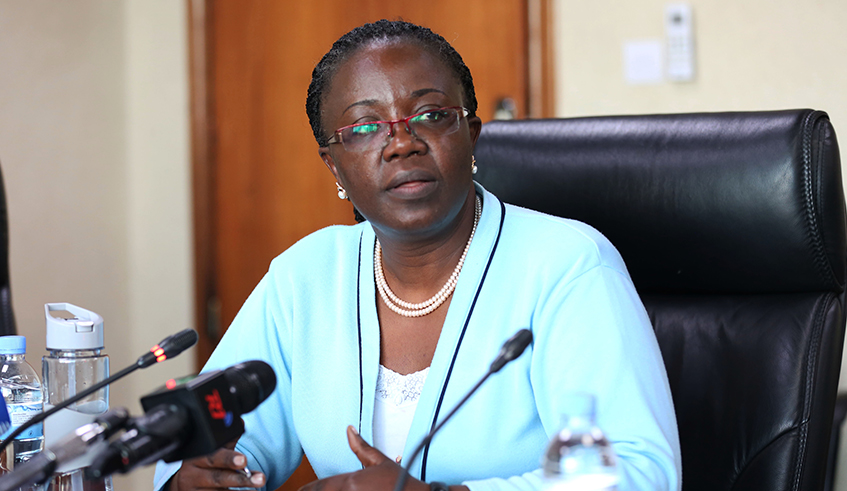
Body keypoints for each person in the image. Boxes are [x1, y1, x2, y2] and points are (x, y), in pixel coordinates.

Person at [154, 19, 681, 491]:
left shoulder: (567, 264)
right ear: (333, 166)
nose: (401, 143)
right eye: (364, 127)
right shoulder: (306, 276)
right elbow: (225, 442)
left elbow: (640, 473)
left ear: (470, 135)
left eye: (430, 115)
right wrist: (198, 477)